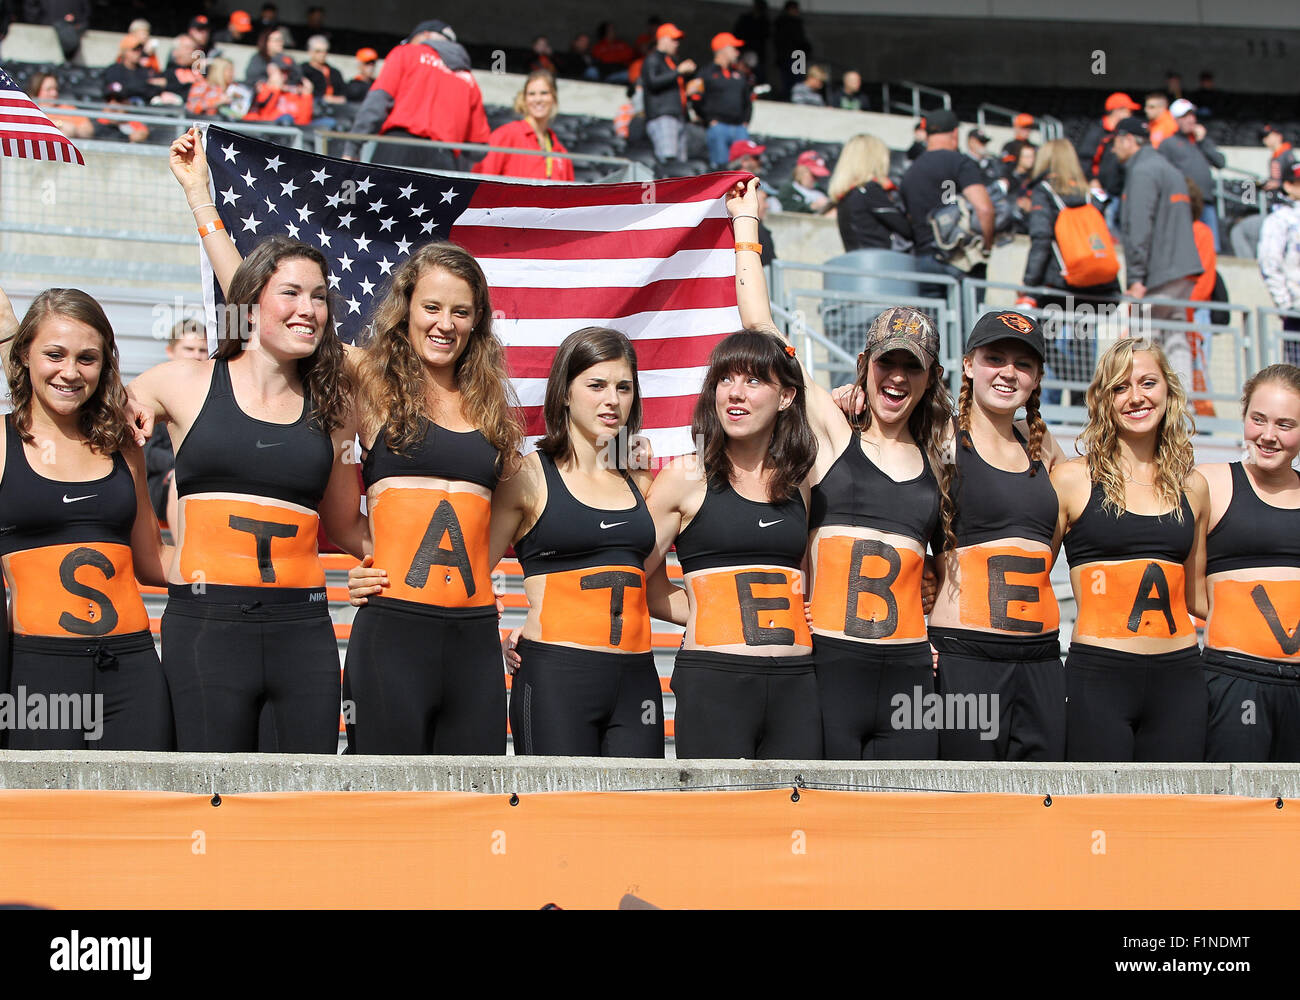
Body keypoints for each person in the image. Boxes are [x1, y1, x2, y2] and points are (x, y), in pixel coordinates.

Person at [127, 128, 368, 754]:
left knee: (301, 804)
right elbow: (73, 390)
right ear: (250, 304)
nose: (308, 308)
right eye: (290, 293)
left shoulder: (336, 404)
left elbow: (346, 522)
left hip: (304, 629)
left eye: (320, 297)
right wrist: (200, 199)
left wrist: (410, 564)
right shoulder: (180, 383)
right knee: (209, 798)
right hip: (205, 625)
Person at [731, 177, 953, 759]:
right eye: (888, 364)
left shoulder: (941, 454)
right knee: (827, 819)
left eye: (913, 368)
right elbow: (761, 330)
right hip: (829, 662)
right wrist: (746, 227)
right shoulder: (833, 434)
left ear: (930, 379)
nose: (898, 378)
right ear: (865, 366)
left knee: (904, 826)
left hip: (909, 670)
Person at [338, 244, 523, 755]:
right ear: (407, 308)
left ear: (477, 319)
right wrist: (204, 203)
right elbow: (277, 312)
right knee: (387, 802)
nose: (445, 324)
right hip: (392, 629)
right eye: (432, 307)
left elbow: (519, 517)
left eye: (461, 311)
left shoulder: (493, 411)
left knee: (472, 796)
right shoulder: (370, 380)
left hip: (475, 638)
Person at [489, 329, 681, 757]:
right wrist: (495, 638)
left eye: (623, 387)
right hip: (555, 676)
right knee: (559, 820)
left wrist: (732, 618)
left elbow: (657, 592)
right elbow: (469, 574)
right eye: (596, 385)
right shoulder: (526, 476)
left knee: (635, 817)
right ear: (564, 393)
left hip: (637, 680)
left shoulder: (642, 482)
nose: (611, 399)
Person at [0, 288, 172, 751]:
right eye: (54, 354)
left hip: (131, 670)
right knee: (46, 822)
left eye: (87, 358)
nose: (71, 372)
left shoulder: (123, 444)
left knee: (140, 821)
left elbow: (153, 559)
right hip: (37, 673)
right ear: (24, 356)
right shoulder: (3, 442)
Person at [646, 328, 820, 760]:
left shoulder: (802, 484)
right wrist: (715, 611)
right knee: (716, 822)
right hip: (715, 681)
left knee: (794, 821)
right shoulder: (684, 477)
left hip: (798, 681)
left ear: (786, 397)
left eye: (754, 380)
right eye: (725, 379)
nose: (735, 394)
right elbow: (635, 576)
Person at [1052, 338, 1209, 761]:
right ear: (1103, 399)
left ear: (1168, 392)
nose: (1135, 397)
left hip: (1180, 677)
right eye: (1120, 387)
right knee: (1100, 817)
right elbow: (1030, 580)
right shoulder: (1071, 479)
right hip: (1098, 677)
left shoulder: (1193, 486)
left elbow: (1200, 599)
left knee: (1175, 817)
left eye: (1147, 383)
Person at [929, 311, 1069, 760]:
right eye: (994, 358)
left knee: (1042, 804)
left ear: (1037, 377)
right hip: (965, 657)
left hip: (1043, 657)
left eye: (1023, 364)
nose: (1008, 373)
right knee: (967, 807)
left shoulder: (1044, 446)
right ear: (968, 364)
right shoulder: (940, 436)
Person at [1199, 365, 1300, 760]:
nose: (1268, 435)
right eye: (1258, 419)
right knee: (1236, 811)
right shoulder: (1211, 482)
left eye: (1285, 424)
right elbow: (1191, 589)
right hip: (1234, 682)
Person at [1017, 138, 1121, 392]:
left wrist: (1030, 283)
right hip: (1092, 284)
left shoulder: (1045, 191)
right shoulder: (1088, 193)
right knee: (1084, 347)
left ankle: (1062, 395)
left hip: (1059, 283)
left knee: (1043, 343)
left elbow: (1041, 239)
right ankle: (1082, 402)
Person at [1111, 116, 1204, 388]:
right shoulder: (1168, 168)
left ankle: (1143, 406)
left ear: (1128, 140)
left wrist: (1136, 278)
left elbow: (1139, 227)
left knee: (1142, 342)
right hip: (1182, 271)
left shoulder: (1143, 171)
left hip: (1157, 275)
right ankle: (1184, 410)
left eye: (1115, 142)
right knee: (1176, 339)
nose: (1113, 150)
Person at [344, 19, 489, 172]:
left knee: (379, 196)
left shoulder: (406, 52)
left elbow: (377, 103)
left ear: (424, 36)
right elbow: (478, 149)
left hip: (398, 148)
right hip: (444, 159)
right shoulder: (469, 80)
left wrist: (352, 146)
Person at [899, 108, 995, 287]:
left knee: (929, 316)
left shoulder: (910, 172)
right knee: (968, 315)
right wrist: (986, 248)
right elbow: (985, 209)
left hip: (923, 261)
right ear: (955, 133)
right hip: (959, 260)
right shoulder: (960, 162)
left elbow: (908, 218)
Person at [143, 318, 209, 530]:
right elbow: (146, 452)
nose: (196, 355)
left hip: (203, 482)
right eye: (189, 348)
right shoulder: (154, 392)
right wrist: (180, 466)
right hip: (162, 485)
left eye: (202, 349)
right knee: (177, 481)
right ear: (170, 351)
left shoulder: (218, 395)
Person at [472, 71, 574, 182]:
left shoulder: (560, 151)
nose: (538, 99)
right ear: (524, 99)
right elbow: (481, 180)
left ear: (553, 98)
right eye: (531, 94)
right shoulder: (506, 135)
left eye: (544, 93)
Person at [1160, 99, 1226, 250]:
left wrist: (1202, 141)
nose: (1190, 120)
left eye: (1192, 115)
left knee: (1211, 247)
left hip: (1206, 202)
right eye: (1185, 116)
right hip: (1184, 202)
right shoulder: (1168, 143)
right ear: (1176, 120)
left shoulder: (1202, 141)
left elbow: (1220, 162)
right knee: (1187, 246)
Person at [828, 133, 910, 252]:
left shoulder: (847, 193)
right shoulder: (869, 191)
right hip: (878, 262)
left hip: (856, 260)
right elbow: (905, 229)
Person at [1076, 92, 1139, 234]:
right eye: (1128, 110)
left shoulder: (1124, 133)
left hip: (1119, 190)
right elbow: (1085, 158)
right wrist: (1092, 179)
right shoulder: (1097, 131)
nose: (1131, 114)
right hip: (1101, 191)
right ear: (1117, 111)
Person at [1258, 161, 1300, 364]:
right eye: (1297, 182)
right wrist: (1286, 303)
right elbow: (1269, 263)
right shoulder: (1279, 220)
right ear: (1288, 185)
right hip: (1297, 311)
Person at [641, 22, 696, 178]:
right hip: (662, 116)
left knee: (679, 167)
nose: (676, 43)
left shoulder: (671, 61)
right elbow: (652, 82)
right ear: (663, 39)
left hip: (677, 117)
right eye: (673, 39)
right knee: (668, 160)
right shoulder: (653, 59)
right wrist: (678, 72)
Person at [695, 32, 754, 171]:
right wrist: (709, 120)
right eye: (733, 48)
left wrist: (745, 121)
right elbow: (696, 99)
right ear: (723, 49)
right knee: (720, 169)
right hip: (718, 127)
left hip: (739, 128)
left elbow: (748, 101)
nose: (737, 52)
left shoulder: (739, 75)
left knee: (742, 168)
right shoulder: (705, 73)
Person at [27, 73, 92, 139]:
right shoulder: (30, 111)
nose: (54, 93)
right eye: (48, 89)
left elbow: (88, 130)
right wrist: (60, 124)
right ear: (36, 91)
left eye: (55, 89)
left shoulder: (67, 109)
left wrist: (75, 130)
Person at [103, 35, 165, 105]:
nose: (138, 53)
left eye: (140, 50)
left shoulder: (146, 71)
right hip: (121, 109)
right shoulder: (113, 70)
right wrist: (143, 86)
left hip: (142, 109)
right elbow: (116, 90)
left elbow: (156, 89)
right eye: (134, 50)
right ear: (124, 51)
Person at [772, 0, 811, 100]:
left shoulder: (780, 23)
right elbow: (799, 41)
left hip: (790, 57)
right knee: (795, 82)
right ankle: (795, 99)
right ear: (790, 9)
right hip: (796, 56)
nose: (797, 11)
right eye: (795, 9)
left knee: (790, 82)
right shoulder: (792, 23)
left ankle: (790, 99)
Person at [299, 34, 346, 110]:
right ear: (310, 52)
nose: (322, 54)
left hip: (336, 109)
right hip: (312, 107)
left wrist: (332, 99)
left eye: (325, 51)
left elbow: (343, 95)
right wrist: (323, 98)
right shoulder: (302, 70)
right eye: (318, 51)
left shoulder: (335, 72)